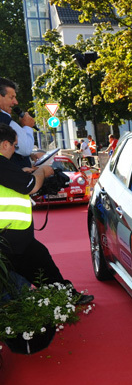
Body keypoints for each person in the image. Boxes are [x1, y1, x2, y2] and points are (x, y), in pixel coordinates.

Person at [0, 123, 93, 304]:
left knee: (42, 263)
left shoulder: (5, 166)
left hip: (13, 236)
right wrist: (43, 171)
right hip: (11, 238)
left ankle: (66, 297)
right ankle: (63, 299)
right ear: (4, 144)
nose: (15, 150)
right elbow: (30, 186)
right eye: (14, 146)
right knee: (38, 270)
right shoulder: (2, 163)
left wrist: (23, 172)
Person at [0, 77, 35, 168]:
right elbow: (25, 149)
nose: (15, 102)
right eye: (11, 97)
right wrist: (27, 127)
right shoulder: (5, 121)